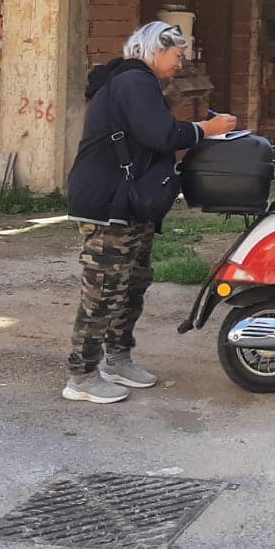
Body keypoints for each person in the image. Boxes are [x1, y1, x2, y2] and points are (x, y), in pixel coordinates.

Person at [63, 21, 236, 404]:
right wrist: (207, 128)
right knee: (105, 288)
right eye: (177, 55)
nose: (180, 63)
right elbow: (162, 134)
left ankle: (118, 359)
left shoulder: (139, 82)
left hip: (130, 201)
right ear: (155, 50)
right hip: (107, 202)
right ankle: (82, 375)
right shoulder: (133, 82)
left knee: (132, 282)